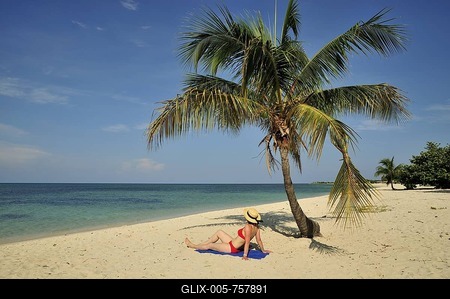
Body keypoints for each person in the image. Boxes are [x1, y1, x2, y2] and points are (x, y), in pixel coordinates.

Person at [184, 208, 272, 260]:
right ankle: (201, 244)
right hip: (233, 242)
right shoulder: (257, 227)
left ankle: (193, 246)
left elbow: (247, 242)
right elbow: (259, 240)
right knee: (219, 232)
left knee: (210, 245)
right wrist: (263, 250)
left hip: (232, 248)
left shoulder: (248, 227)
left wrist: (245, 255)